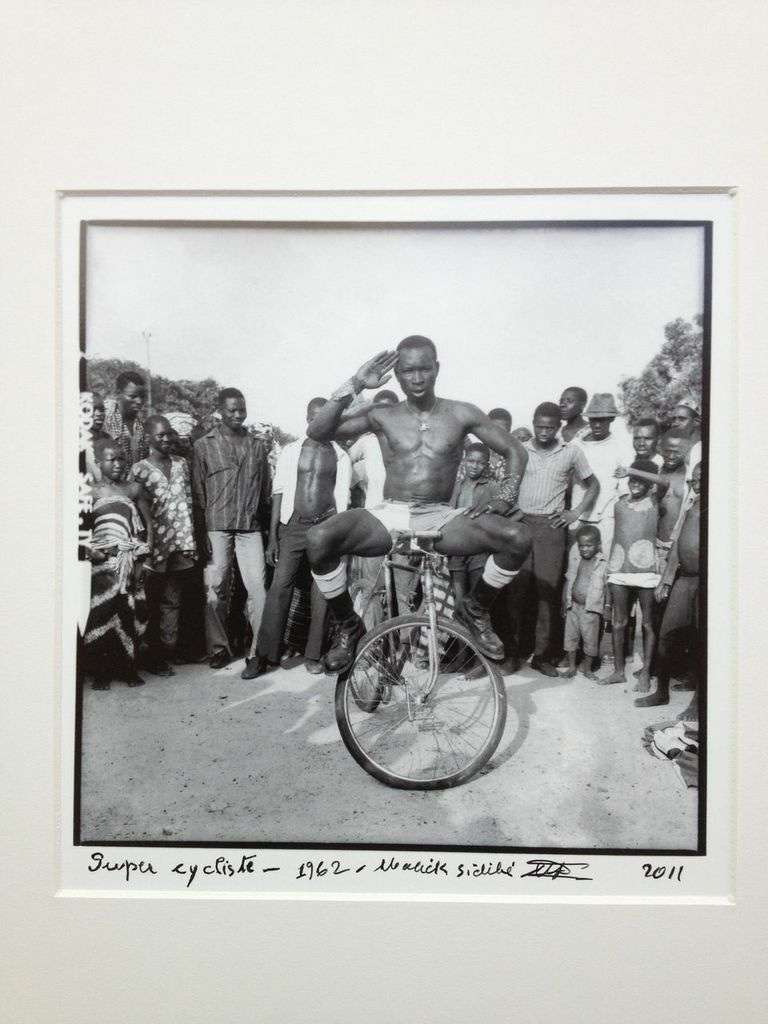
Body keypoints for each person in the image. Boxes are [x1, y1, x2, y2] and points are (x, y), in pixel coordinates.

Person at [304, 337, 532, 673]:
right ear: (396, 374)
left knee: (518, 537)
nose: (417, 377)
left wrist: (503, 499)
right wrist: (355, 384)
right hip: (391, 513)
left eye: (424, 368)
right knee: (318, 539)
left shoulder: (461, 412)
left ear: (437, 368)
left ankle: (475, 609)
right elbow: (318, 431)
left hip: (440, 516)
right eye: (408, 370)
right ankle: (349, 627)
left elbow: (516, 451)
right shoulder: (381, 414)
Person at [244, 397, 352, 679]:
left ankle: (313, 655)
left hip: (326, 527)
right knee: (280, 587)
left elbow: (343, 498)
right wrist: (273, 538)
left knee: (322, 590)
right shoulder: (292, 450)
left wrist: (340, 536)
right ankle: (264, 655)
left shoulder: (341, 455)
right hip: (293, 525)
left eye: (325, 417)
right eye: (314, 417)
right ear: (307, 419)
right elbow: (278, 491)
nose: (319, 422)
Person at [509, 402, 599, 676]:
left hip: (551, 527)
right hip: (522, 524)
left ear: (558, 427)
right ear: (533, 423)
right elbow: (508, 484)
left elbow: (593, 484)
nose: (544, 432)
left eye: (550, 427)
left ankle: (542, 656)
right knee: (516, 591)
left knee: (547, 594)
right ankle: (512, 654)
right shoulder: (521, 450)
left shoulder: (571, 452)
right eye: (539, 426)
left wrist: (575, 513)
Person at [192, 387, 271, 669]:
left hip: (250, 527)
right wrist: (202, 534)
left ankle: (257, 652)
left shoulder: (257, 446)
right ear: (220, 412)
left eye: (241, 409)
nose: (238, 415)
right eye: (231, 410)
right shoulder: (203, 446)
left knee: (259, 590)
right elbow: (198, 493)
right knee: (215, 589)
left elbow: (265, 492)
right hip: (217, 526)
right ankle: (218, 648)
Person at [128, 415, 198, 675]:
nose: (167, 439)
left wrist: (194, 539)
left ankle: (169, 651)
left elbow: (190, 501)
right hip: (154, 545)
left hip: (180, 541)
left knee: (173, 600)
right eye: (161, 435)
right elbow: (134, 509)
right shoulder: (139, 470)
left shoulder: (182, 464)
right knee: (152, 601)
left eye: (169, 433)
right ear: (148, 438)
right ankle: (151, 656)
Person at [83, 438, 152, 689]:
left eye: (121, 458)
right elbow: (78, 531)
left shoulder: (133, 489)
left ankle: (128, 668)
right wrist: (91, 551)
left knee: (129, 610)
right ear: (99, 463)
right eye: (111, 459)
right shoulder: (90, 493)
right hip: (103, 562)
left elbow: (147, 527)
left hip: (130, 559)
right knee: (102, 612)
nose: (117, 463)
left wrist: (143, 557)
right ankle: (101, 671)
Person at [635, 462, 702, 710]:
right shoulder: (692, 504)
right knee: (666, 633)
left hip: (704, 582)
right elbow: (677, 544)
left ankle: (698, 703)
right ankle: (660, 692)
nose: (695, 483)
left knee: (702, 639)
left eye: (701, 478)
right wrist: (666, 578)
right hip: (684, 578)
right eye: (693, 479)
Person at [600, 458, 662, 689]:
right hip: (620, 569)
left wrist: (632, 470)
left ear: (648, 484)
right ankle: (618, 671)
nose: (635, 483)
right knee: (619, 621)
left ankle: (645, 672)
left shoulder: (655, 502)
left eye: (640, 480)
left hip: (646, 571)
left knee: (647, 624)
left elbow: (663, 481)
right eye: (632, 480)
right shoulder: (620, 503)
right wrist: (609, 568)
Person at [570, 392, 629, 553]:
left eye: (602, 420)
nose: (597, 425)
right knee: (574, 565)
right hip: (578, 514)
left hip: (606, 517)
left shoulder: (621, 446)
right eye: (593, 419)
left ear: (611, 419)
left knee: (601, 565)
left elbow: (624, 488)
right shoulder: (576, 445)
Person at [448, 442, 497, 605]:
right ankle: (458, 630)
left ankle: (476, 630)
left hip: (479, 551)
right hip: (456, 551)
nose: (475, 466)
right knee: (458, 601)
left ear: (486, 465)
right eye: (471, 461)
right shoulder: (456, 486)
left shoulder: (492, 488)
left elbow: (514, 513)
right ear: (464, 461)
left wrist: (492, 536)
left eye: (480, 462)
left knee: (477, 601)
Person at [561, 524, 608, 679]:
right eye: (581, 546)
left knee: (590, 640)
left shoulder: (602, 563)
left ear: (598, 545)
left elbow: (607, 586)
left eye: (589, 545)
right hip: (573, 607)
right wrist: (564, 601)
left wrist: (607, 606)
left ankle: (587, 669)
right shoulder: (576, 560)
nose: (585, 549)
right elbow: (568, 580)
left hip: (590, 609)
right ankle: (572, 666)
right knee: (571, 638)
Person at [103, 370, 149, 465]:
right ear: (117, 394)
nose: (139, 401)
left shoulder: (140, 425)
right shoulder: (105, 417)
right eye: (133, 396)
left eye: (142, 396)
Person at [486, 408, 513, 481]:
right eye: (494, 430)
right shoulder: (476, 453)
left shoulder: (514, 458)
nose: (497, 435)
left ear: (509, 431)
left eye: (502, 431)